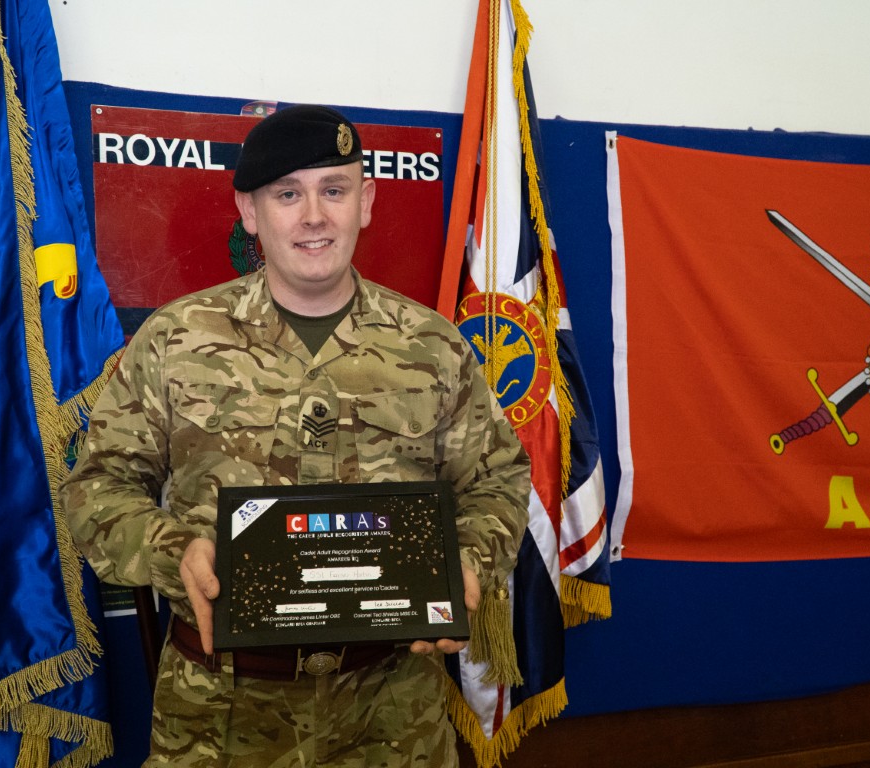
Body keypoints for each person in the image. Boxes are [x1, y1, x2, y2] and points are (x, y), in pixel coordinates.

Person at [61, 104, 530, 767]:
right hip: (217, 717)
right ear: (250, 211)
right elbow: (97, 488)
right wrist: (176, 551)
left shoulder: (432, 348)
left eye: (333, 190)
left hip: (392, 714)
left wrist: (469, 561)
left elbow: (496, 481)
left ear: (365, 201)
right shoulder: (176, 340)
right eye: (288, 194)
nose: (314, 215)